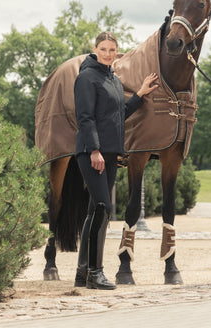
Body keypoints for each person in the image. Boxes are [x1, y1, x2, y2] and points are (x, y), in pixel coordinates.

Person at [73, 31, 158, 290]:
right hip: (92, 153)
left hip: (110, 154)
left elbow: (119, 113)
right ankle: (96, 272)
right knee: (103, 207)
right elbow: (85, 117)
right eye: (104, 49)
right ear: (95, 49)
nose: (108, 53)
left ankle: (83, 272)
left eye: (112, 49)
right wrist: (95, 150)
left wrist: (140, 94)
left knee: (95, 211)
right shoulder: (87, 77)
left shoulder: (113, 79)